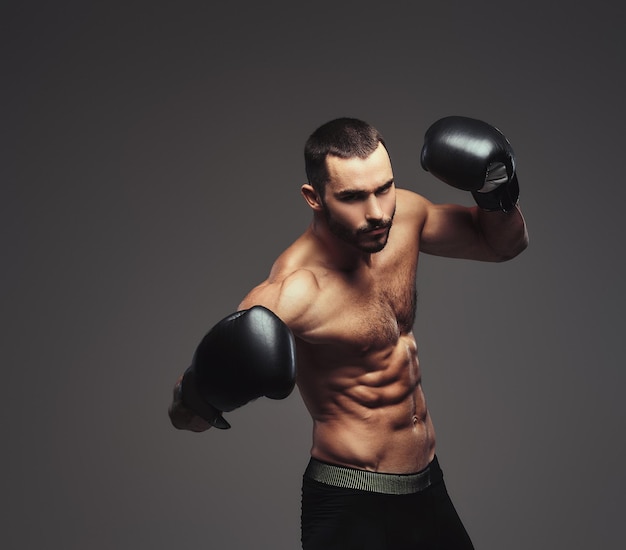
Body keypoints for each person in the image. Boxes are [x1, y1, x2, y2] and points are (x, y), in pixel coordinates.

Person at [168, 115, 529, 549]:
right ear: (314, 197)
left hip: (427, 486)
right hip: (350, 501)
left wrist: (497, 191)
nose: (377, 212)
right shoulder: (296, 289)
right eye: (353, 197)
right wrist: (200, 391)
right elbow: (186, 416)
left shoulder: (406, 216)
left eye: (384, 188)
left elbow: (502, 245)